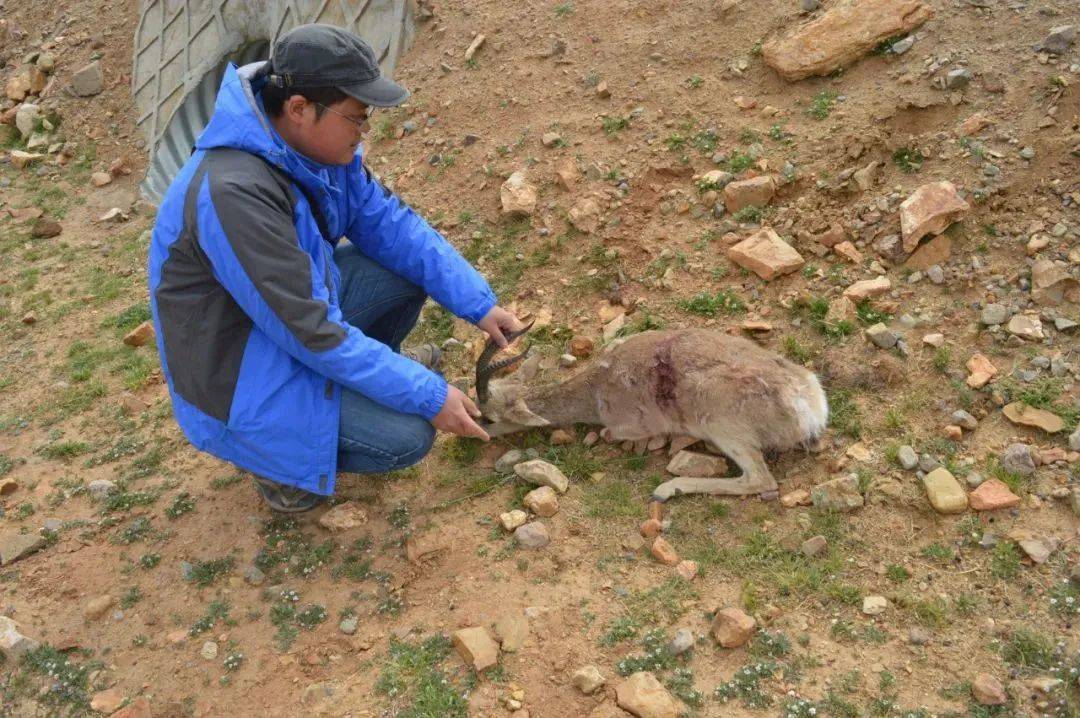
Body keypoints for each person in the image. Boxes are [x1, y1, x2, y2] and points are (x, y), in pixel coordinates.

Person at [147, 24, 524, 512]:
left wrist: (479, 303)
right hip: (242, 375)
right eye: (356, 119)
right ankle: (280, 471)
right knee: (408, 435)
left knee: (401, 269)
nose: (364, 132)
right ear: (300, 109)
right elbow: (313, 332)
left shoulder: (319, 153)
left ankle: (363, 384)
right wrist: (428, 397)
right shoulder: (232, 192)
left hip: (289, 322)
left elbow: (393, 229)